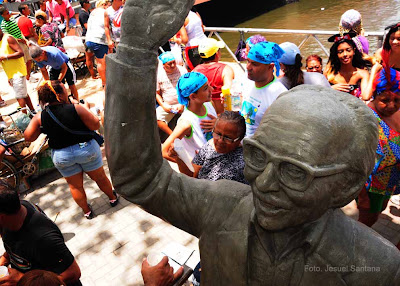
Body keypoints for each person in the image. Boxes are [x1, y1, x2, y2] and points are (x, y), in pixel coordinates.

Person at [106, 1, 400, 283]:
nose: (262, 182)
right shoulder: (221, 205)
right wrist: (134, 50)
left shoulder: (378, 269)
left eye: (294, 172)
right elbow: (140, 179)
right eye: (258, 157)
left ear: (345, 187)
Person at [24, 80, 118, 219]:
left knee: (75, 186)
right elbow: (95, 125)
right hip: (86, 150)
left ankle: (87, 211)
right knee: (100, 177)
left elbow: (28, 136)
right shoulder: (76, 108)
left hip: (62, 156)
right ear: (59, 95)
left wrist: (42, 126)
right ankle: (112, 198)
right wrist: (82, 106)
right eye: (64, 89)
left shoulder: (40, 117)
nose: (67, 91)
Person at [0, 183, 82, 285]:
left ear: (1, 217)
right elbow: (16, 244)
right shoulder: (16, 210)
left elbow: (74, 273)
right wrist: (5, 258)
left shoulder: (43, 239)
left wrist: (21, 280)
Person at [358, 68, 400, 232]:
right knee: (367, 219)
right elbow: (355, 159)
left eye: (397, 100)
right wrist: (362, 194)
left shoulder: (397, 112)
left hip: (389, 182)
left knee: (378, 211)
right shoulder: (366, 118)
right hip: (370, 186)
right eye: (385, 100)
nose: (391, 105)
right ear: (375, 95)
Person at [177, 111, 248, 184]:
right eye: (217, 134)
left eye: (227, 138)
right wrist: (179, 159)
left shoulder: (243, 164)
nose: (220, 141)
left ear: (239, 139)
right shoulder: (209, 146)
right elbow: (192, 175)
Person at [161, 72, 217, 164]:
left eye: (209, 85)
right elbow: (164, 151)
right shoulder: (186, 123)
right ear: (193, 96)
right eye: (206, 88)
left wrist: (218, 124)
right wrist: (189, 165)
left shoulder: (209, 104)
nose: (211, 89)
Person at [240, 41, 287, 138]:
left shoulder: (280, 96)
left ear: (270, 67)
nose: (248, 67)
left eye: (255, 64)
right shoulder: (247, 82)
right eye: (248, 61)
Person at [324, 33, 373, 100]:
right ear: (336, 54)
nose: (345, 54)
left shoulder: (362, 73)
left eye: (348, 50)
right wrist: (331, 89)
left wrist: (374, 71)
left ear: (354, 51)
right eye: (340, 52)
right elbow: (320, 94)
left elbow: (366, 97)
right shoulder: (328, 71)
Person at [193, 38, 235, 114]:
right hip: (223, 113)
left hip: (205, 113)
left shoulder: (195, 71)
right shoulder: (225, 69)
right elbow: (229, 89)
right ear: (217, 54)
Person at [0, 27, 35, 113]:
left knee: (19, 97)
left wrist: (5, 57)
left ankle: (24, 118)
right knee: (24, 94)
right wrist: (9, 77)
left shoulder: (8, 38)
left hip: (18, 73)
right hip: (11, 74)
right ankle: (32, 112)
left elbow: (20, 52)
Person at [156, 51, 187, 135]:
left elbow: (187, 90)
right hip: (168, 105)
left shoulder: (182, 71)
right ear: (164, 65)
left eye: (174, 62)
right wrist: (163, 105)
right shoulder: (159, 74)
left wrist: (182, 104)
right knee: (156, 118)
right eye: (169, 64)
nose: (173, 65)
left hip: (183, 102)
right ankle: (173, 135)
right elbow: (157, 93)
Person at [0, 5, 32, 80]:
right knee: (23, 61)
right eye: (7, 13)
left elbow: (19, 30)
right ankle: (24, 77)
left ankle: (28, 76)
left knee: (29, 59)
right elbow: (7, 36)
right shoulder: (4, 25)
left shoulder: (13, 20)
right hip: (16, 43)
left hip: (22, 41)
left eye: (8, 13)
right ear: (2, 15)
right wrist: (19, 40)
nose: (9, 14)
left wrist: (25, 40)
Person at [85, 0, 109, 87]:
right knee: (102, 62)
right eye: (108, 5)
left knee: (99, 62)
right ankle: (105, 82)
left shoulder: (93, 13)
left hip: (89, 39)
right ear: (103, 4)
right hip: (99, 40)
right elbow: (106, 25)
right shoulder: (104, 12)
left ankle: (104, 81)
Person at [78, 0, 98, 79]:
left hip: (91, 35)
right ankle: (92, 74)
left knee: (92, 56)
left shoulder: (87, 12)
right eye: (88, 2)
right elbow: (87, 26)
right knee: (89, 56)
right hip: (87, 36)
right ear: (84, 4)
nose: (89, 4)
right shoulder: (83, 14)